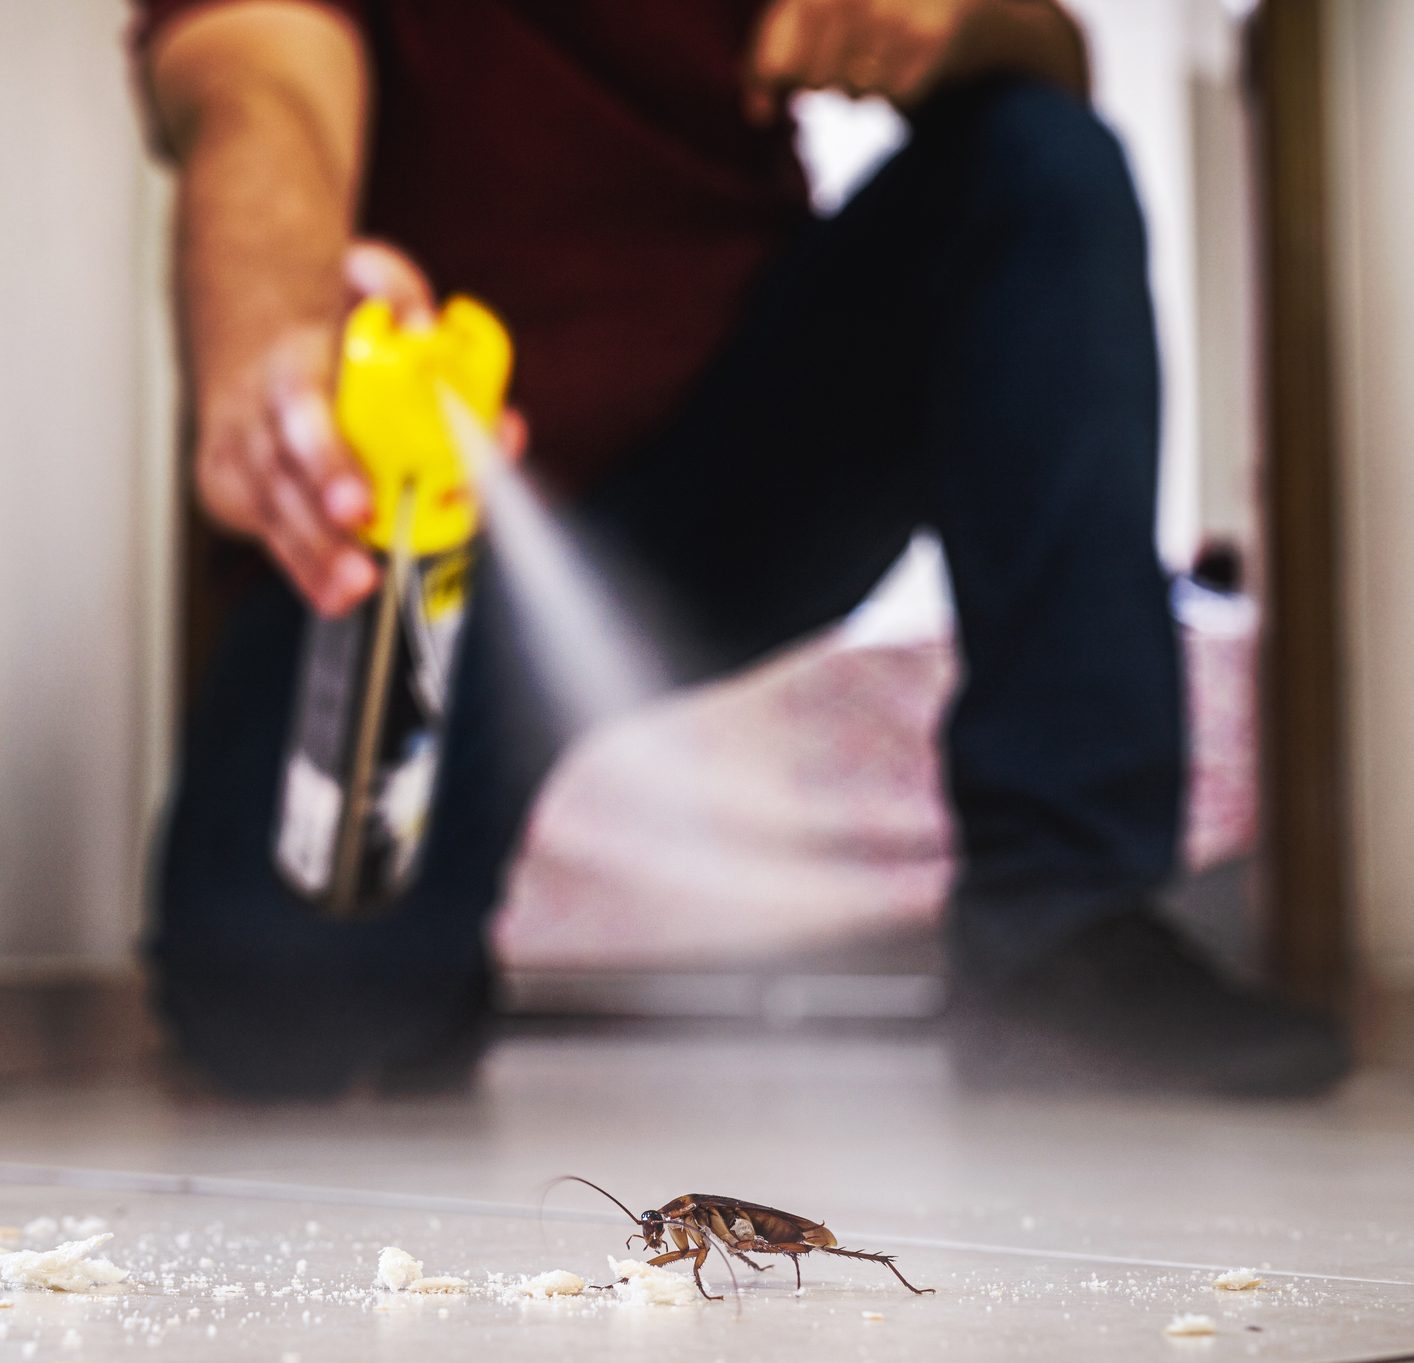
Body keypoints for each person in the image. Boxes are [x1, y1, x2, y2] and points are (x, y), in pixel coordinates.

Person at [131, 0, 1348, 1099]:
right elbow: (259, 83)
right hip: (420, 529)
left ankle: (1063, 927)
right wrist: (279, 330)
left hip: (735, 470)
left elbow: (1048, 53)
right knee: (276, 1011)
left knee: (1037, 160)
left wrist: (956, 21)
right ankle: (418, 947)